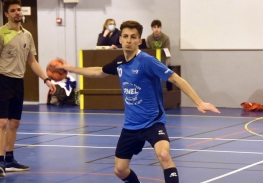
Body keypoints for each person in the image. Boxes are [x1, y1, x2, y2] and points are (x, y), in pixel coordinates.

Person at [58, 20, 220, 183]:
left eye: (133, 37)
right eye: (125, 36)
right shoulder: (119, 62)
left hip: (153, 122)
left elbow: (176, 79)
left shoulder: (147, 61)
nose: (128, 40)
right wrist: (71, 69)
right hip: (131, 125)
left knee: (164, 155)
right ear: (120, 39)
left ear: (139, 41)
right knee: (120, 170)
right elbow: (99, 71)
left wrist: (199, 102)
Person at [0, 0, 56, 177]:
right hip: (2, 80)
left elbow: (32, 61)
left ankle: (9, 159)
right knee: (1, 123)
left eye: (19, 9)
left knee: (15, 122)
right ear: (6, 14)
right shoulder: (1, 34)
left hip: (18, 81)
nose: (18, 13)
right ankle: (0, 161)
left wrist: (46, 79)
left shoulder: (27, 35)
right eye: (14, 10)